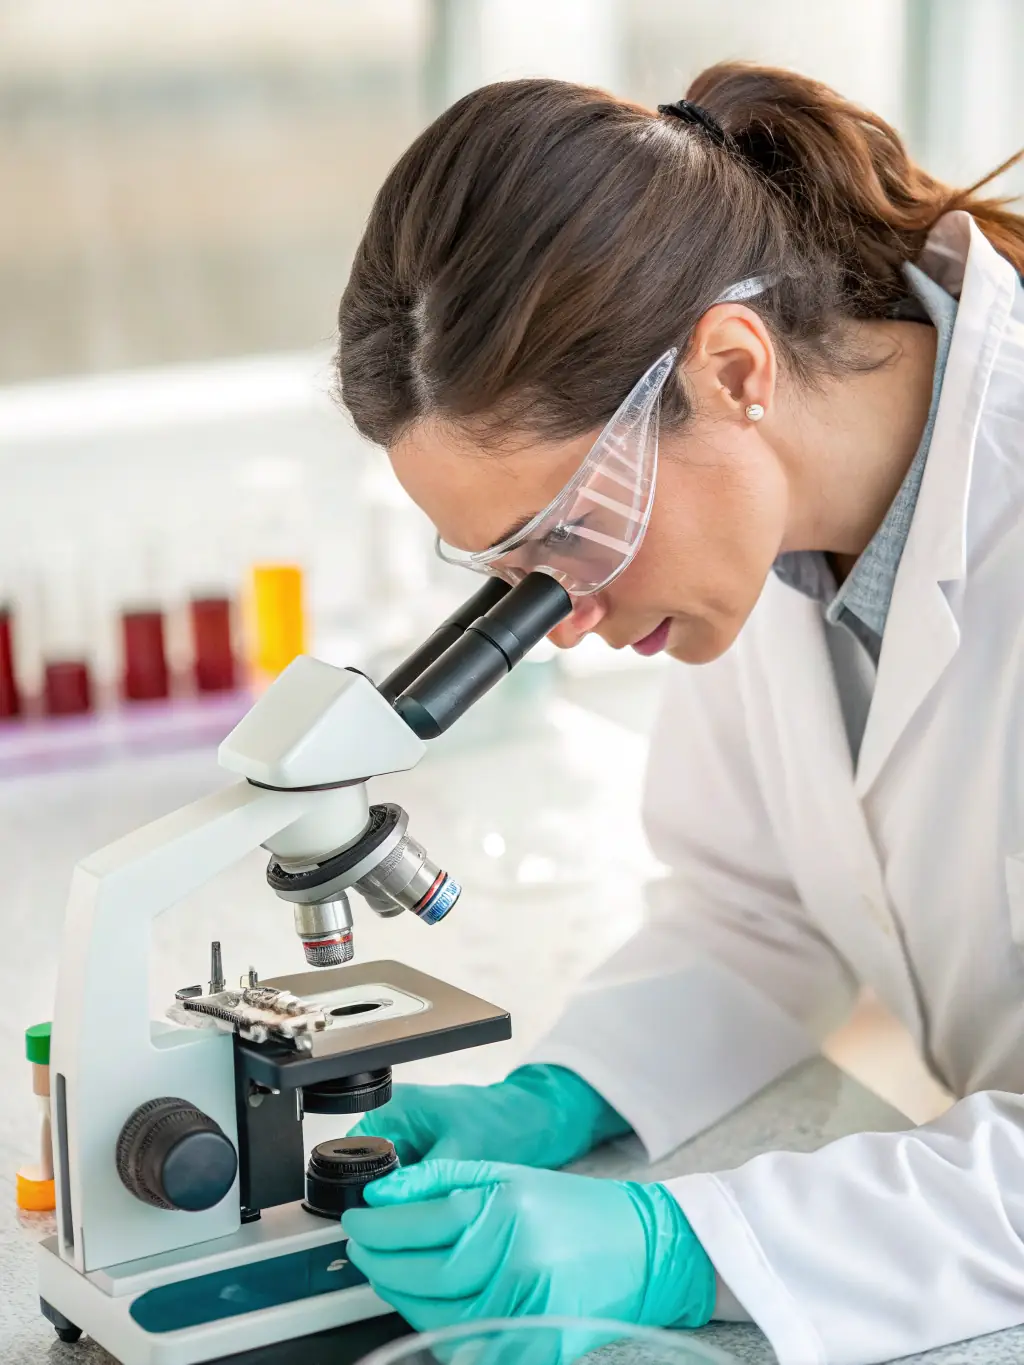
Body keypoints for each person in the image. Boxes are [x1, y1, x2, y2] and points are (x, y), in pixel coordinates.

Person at [334, 63, 1024, 1365]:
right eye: (509, 574)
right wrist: (564, 1094)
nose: (567, 616)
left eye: (566, 537)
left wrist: (681, 1246)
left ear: (730, 366)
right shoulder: (761, 533)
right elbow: (756, 905)